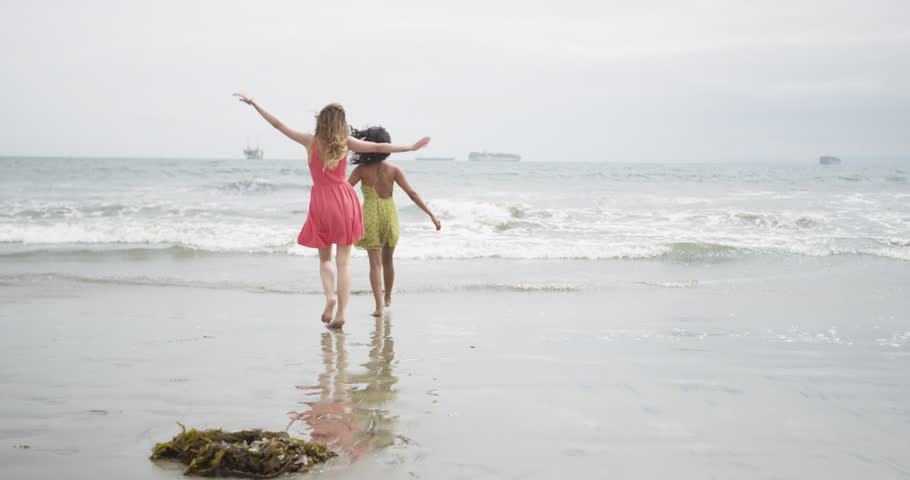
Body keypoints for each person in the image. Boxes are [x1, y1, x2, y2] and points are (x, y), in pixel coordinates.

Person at [232, 94, 429, 328]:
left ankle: (330, 297)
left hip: (321, 201)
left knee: (325, 259)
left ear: (321, 121)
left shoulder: (309, 141)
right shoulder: (346, 142)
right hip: (345, 200)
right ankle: (341, 314)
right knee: (343, 262)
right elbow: (378, 147)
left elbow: (278, 125)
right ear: (341, 123)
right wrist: (410, 147)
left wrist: (255, 105)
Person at [347, 126, 441, 316]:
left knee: (374, 264)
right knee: (388, 261)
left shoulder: (361, 170)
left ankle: (379, 306)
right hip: (390, 216)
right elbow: (412, 194)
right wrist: (431, 214)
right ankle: (388, 296)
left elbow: (345, 192)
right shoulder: (394, 170)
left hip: (370, 217)